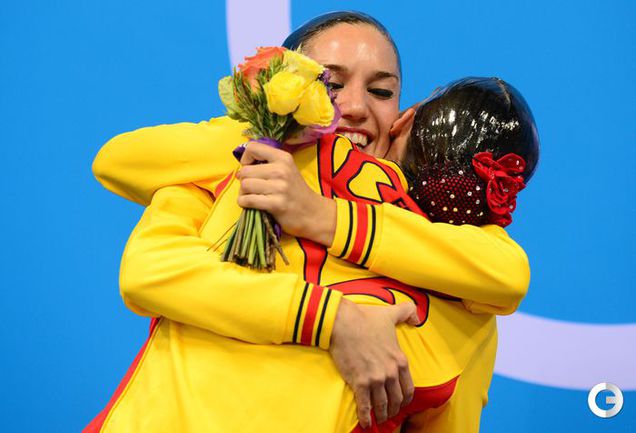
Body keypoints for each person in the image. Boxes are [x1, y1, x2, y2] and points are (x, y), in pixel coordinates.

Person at [86, 12, 532, 433]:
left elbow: (507, 273)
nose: (354, 107)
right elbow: (144, 256)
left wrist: (321, 216)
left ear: (404, 119)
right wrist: (272, 131)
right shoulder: (227, 176)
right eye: (330, 84)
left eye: (381, 92)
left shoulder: (454, 276)